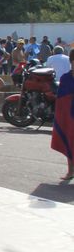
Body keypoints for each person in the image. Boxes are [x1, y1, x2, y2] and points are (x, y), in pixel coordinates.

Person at [52, 49, 74, 181]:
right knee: (69, 141)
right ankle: (70, 171)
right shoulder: (65, 78)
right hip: (69, 116)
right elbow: (61, 99)